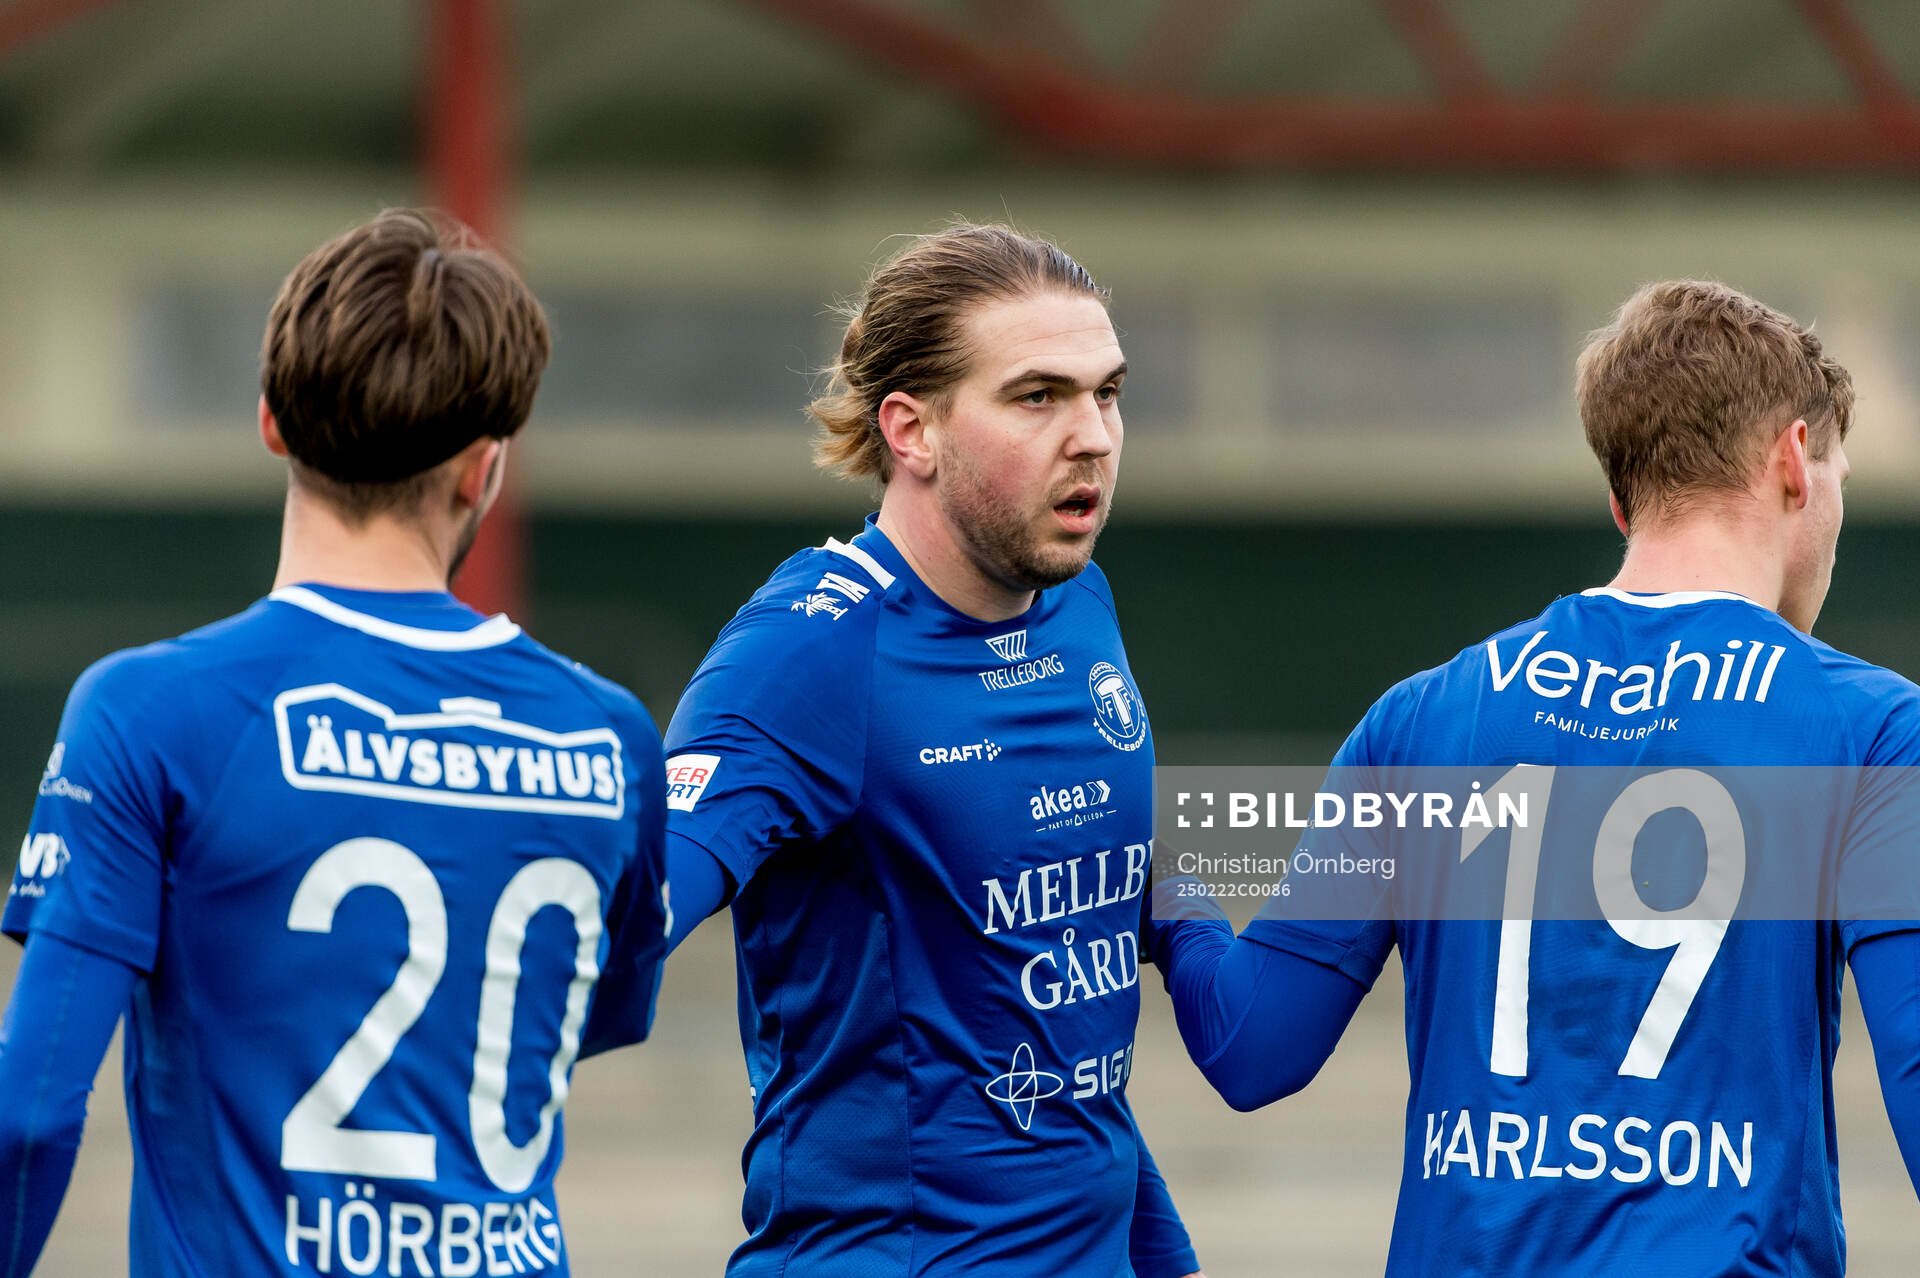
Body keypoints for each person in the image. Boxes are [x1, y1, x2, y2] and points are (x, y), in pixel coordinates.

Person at [1151, 279, 1920, 1273]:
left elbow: (1253, 1044)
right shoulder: (1870, 731)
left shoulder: (1423, 717)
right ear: (1793, 462)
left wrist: (1169, 894)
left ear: (1619, 496)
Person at [0, 209, 670, 1276]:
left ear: (270, 422)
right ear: (482, 469)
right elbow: (571, 1024)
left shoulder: (147, 711)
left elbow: (29, 1115)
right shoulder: (612, 736)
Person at [645, 224, 1201, 1276]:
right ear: (912, 431)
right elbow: (624, 914)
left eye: (1108, 393)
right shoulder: (804, 654)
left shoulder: (1079, 602)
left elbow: (1057, 996)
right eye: (1038, 397)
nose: (1093, 436)